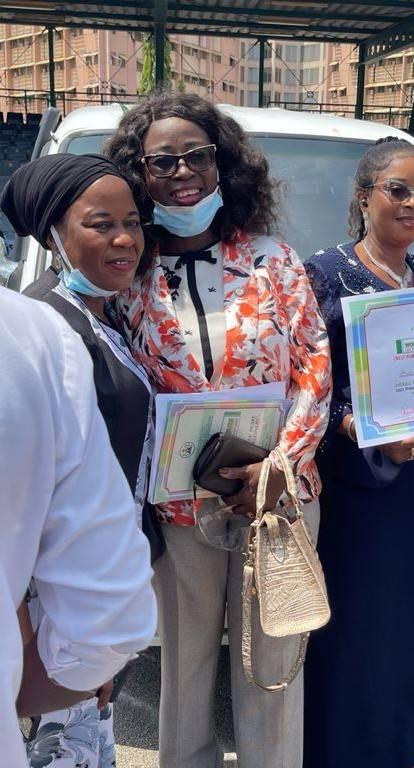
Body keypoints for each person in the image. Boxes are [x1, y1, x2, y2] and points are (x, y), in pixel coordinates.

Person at [104, 91, 331, 768]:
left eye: (195, 155)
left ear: (222, 163)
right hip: (180, 504)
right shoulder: (129, 275)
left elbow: (315, 367)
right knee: (186, 660)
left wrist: (278, 466)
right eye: (162, 161)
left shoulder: (273, 260)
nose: (181, 172)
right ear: (139, 174)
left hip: (280, 499)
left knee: (273, 660)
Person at [0, 152, 161, 768]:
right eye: (100, 224)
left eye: (133, 221)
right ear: (52, 237)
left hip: (81, 578)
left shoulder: (102, 314)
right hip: (54, 594)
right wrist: (73, 648)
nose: (125, 239)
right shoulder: (47, 325)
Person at [302, 137, 414, 768]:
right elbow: (299, 384)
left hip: (413, 484)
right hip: (348, 485)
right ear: (364, 198)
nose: (413, 204)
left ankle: (392, 749)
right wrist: (355, 426)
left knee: (400, 623)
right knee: (347, 624)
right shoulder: (322, 275)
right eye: (398, 190)